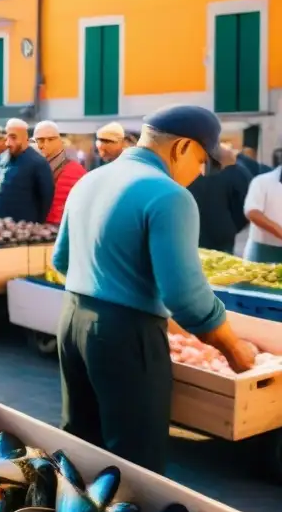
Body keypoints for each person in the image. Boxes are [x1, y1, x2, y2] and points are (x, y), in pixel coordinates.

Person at [53, 105, 257, 474]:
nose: (199, 173)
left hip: (72, 322)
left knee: (80, 448)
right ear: (181, 147)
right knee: (134, 463)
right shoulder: (169, 195)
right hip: (125, 335)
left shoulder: (91, 179)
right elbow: (186, 297)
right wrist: (232, 346)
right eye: (200, 160)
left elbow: (61, 261)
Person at [187, 146, 251, 254]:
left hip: (191, 232)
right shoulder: (236, 174)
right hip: (222, 235)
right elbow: (244, 205)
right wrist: (233, 226)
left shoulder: (186, 174)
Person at [0, 119, 54, 223]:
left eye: (13, 137)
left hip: (24, 226)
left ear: (25, 138)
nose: (8, 143)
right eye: (7, 137)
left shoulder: (38, 163)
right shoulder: (1, 159)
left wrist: (37, 223)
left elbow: (46, 197)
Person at [33, 121, 86, 225]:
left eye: (51, 139)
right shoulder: (33, 167)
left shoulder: (76, 170)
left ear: (60, 141)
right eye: (40, 140)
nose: (45, 144)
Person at [243, 148, 282, 263]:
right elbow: (253, 212)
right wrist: (279, 231)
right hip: (263, 250)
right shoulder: (262, 181)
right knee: (256, 280)